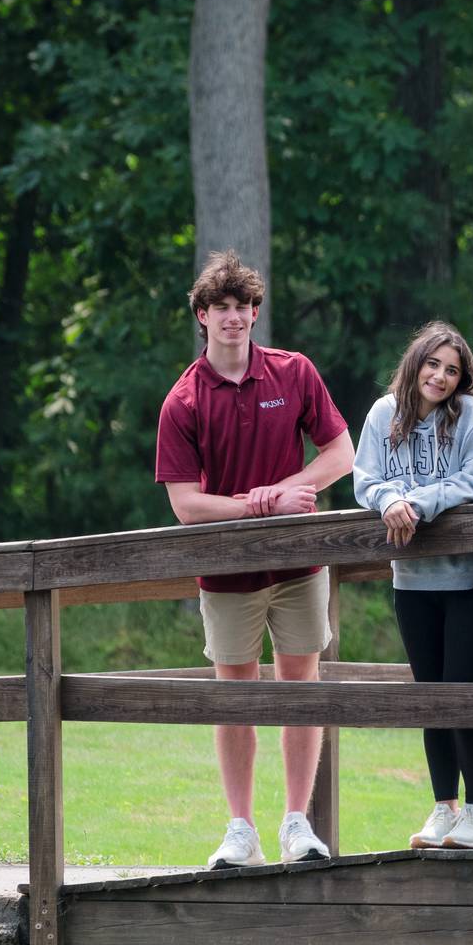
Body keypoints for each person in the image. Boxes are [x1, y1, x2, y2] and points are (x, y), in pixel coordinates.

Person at [155, 249, 353, 869]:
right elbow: (185, 505)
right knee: (233, 695)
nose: (233, 317)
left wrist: (291, 488)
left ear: (255, 312)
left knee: (301, 687)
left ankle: (298, 822)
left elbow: (341, 454)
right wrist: (257, 505)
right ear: (202, 316)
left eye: (242, 306)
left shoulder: (293, 373)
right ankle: (240, 829)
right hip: (226, 571)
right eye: (221, 307)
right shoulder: (183, 400)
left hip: (299, 564)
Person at [352, 323, 473, 851]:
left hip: (469, 578)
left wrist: (416, 503)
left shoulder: (469, 416)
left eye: (452, 370)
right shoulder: (382, 413)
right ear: (415, 363)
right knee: (430, 695)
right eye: (433, 364)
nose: (440, 376)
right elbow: (365, 479)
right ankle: (443, 807)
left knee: (461, 694)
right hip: (411, 580)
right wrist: (389, 500)